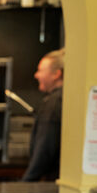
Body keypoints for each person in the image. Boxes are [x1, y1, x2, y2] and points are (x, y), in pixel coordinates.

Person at [21, 49, 64, 184]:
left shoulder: (53, 104)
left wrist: (25, 184)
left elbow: (44, 149)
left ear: (56, 74)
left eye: (40, 70)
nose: (36, 75)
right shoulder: (65, 97)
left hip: (50, 182)